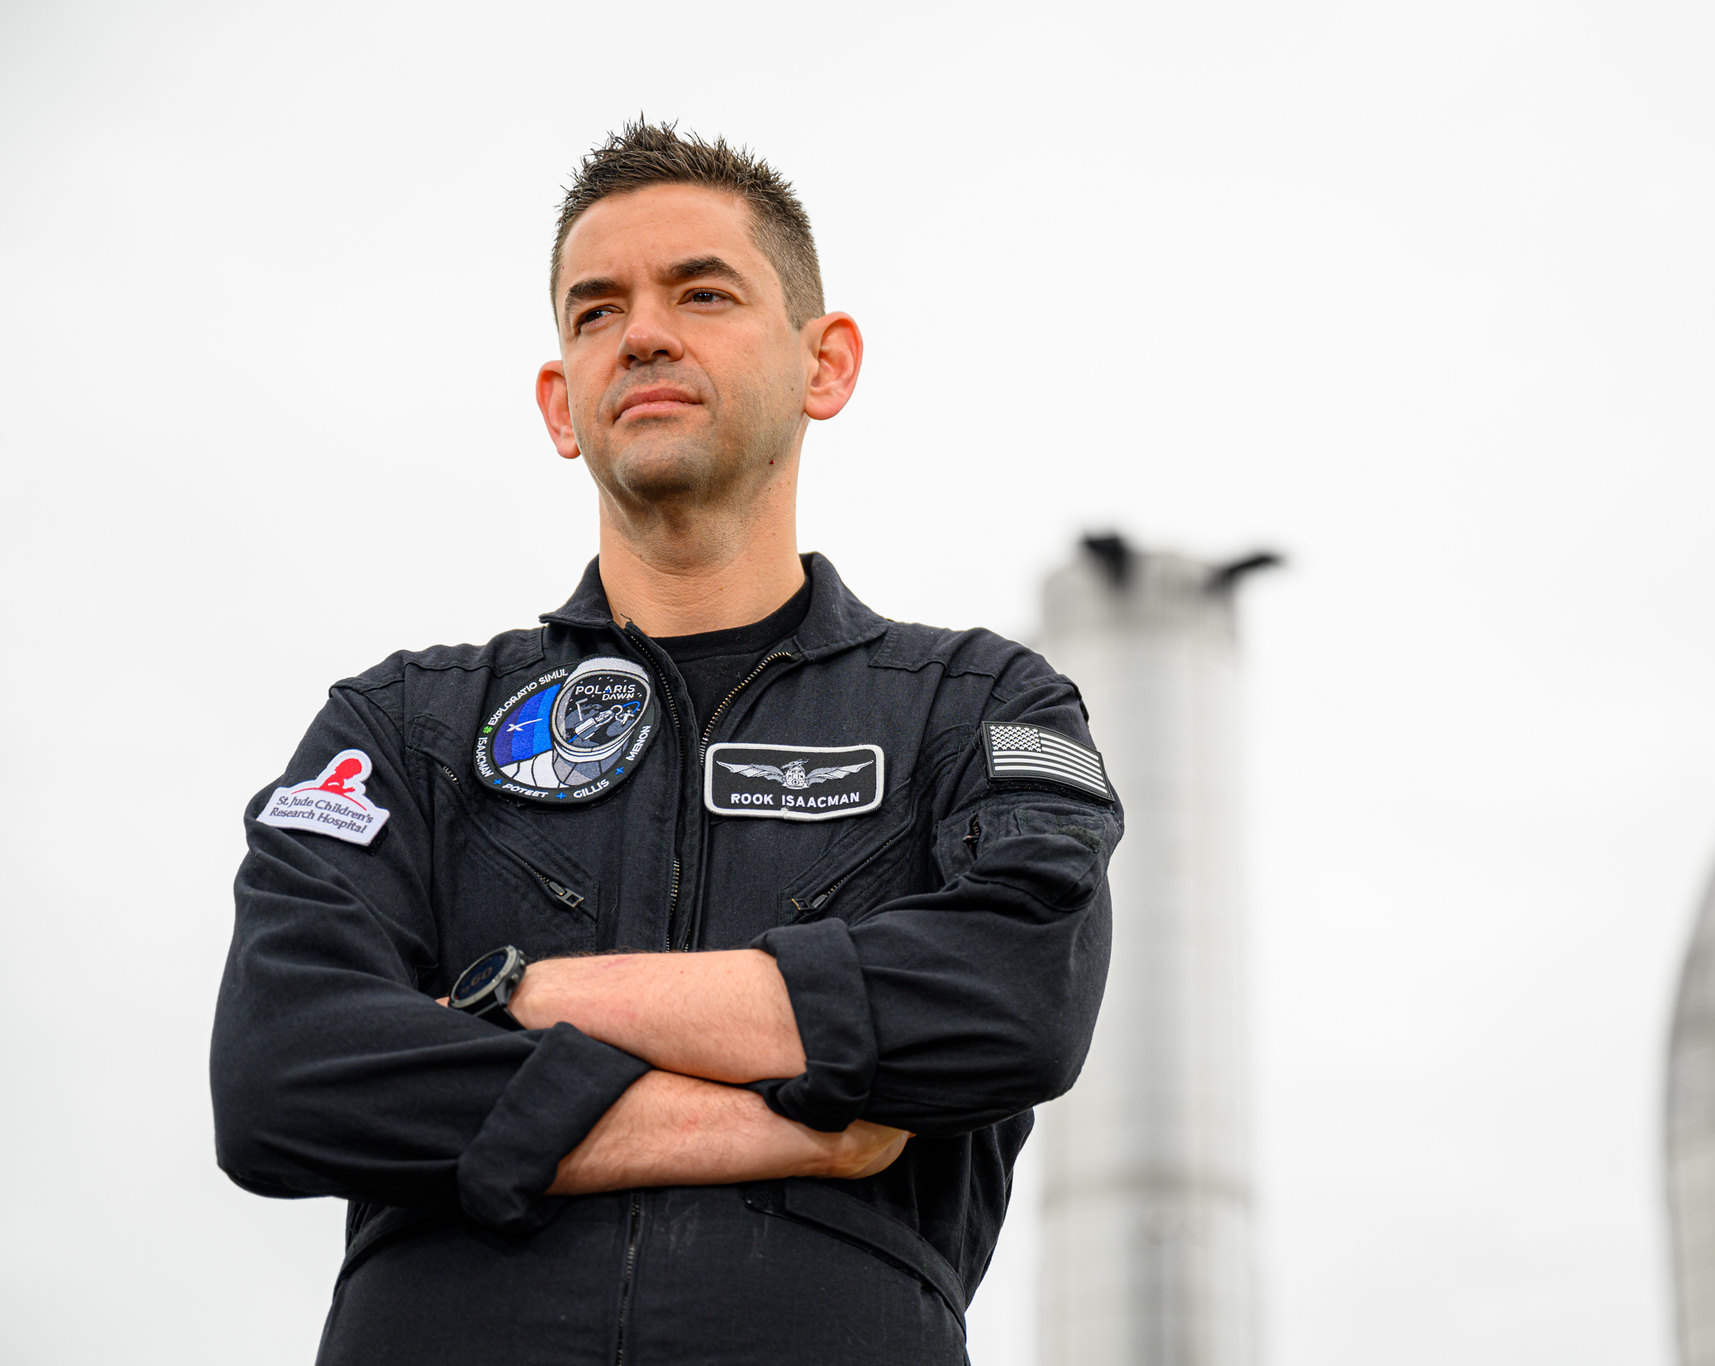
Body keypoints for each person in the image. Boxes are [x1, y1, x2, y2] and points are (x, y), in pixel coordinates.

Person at [211, 120, 1121, 1365]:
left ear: (825, 363)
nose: (641, 331)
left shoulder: (971, 707)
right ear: (560, 405)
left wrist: (527, 995)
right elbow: (284, 1073)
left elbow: (1014, 999)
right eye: (595, 311)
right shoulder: (404, 726)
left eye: (701, 291)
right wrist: (776, 1128)